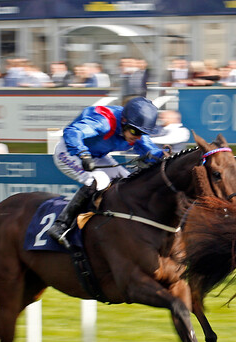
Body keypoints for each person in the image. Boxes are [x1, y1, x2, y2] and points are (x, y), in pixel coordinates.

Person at [48, 97, 165, 248]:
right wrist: (83, 154)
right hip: (69, 152)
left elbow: (152, 152)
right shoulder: (104, 121)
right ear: (123, 121)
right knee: (98, 182)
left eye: (142, 133)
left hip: (97, 156)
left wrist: (167, 157)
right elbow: (72, 131)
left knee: (128, 181)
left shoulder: (134, 129)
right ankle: (61, 225)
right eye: (135, 131)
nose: (137, 137)